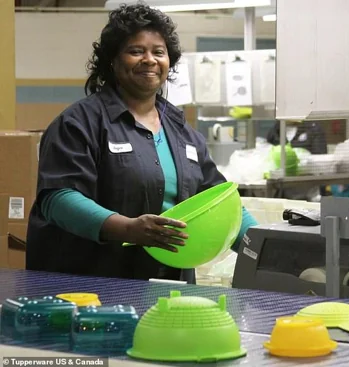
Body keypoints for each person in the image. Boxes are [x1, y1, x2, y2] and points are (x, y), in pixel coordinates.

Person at [25, 2, 258, 283]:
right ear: (112, 60)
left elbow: (221, 200)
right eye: (136, 51)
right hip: (94, 283)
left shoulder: (182, 131)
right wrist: (127, 229)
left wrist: (266, 247)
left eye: (158, 52)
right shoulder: (79, 123)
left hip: (169, 282)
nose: (149, 59)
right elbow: (58, 198)